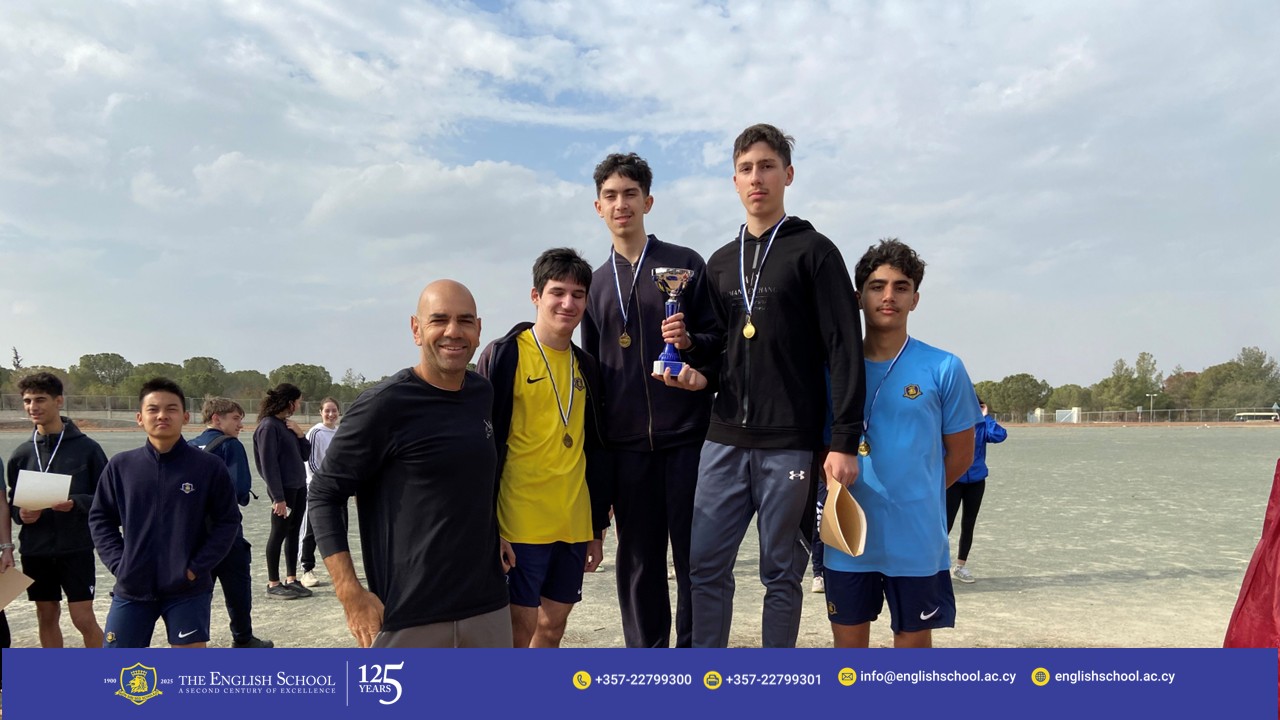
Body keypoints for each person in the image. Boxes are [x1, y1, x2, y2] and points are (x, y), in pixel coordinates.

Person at [660, 123, 865, 648]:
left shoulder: (816, 252)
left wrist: (844, 440)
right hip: (723, 438)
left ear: (788, 175)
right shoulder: (719, 263)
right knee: (705, 567)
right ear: (734, 181)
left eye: (767, 166)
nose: (757, 178)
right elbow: (718, 348)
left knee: (781, 573)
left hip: (789, 442)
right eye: (746, 169)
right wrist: (693, 359)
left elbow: (844, 348)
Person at [309, 280, 511, 648]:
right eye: (439, 320)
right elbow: (324, 494)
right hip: (409, 615)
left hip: (487, 608)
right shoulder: (385, 405)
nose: (453, 331)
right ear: (416, 329)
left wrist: (496, 531)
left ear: (479, 329)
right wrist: (350, 593)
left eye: (465, 320)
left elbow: (471, 477)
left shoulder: (482, 393)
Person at [580, 153, 713, 648]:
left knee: (696, 559)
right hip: (626, 448)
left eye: (630, 194)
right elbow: (592, 373)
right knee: (638, 562)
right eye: (611, 196)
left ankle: (697, 659)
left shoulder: (685, 264)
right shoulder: (593, 284)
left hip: (687, 439)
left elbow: (717, 341)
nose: (622, 204)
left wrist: (691, 343)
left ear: (648, 202)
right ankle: (648, 663)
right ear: (598, 207)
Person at [823, 239, 981, 649]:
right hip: (848, 537)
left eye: (901, 287)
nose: (888, 296)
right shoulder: (831, 370)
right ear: (858, 297)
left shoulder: (944, 367)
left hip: (917, 539)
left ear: (915, 299)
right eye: (877, 286)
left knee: (911, 661)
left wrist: (915, 493)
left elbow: (962, 455)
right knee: (848, 661)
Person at [477, 248, 612, 648]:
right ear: (536, 296)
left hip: (572, 521)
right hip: (520, 519)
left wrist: (596, 529)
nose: (568, 303)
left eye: (578, 294)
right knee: (519, 629)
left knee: (552, 627)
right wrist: (488, 527)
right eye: (558, 292)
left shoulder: (587, 366)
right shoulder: (506, 354)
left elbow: (595, 448)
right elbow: (482, 444)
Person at [89, 378, 241, 648]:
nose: (162, 415)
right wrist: (120, 564)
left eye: (171, 409)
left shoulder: (208, 466)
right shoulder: (121, 466)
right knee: (117, 667)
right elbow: (100, 519)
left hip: (187, 588)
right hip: (133, 587)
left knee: (187, 669)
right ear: (139, 418)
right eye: (153, 409)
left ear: (185, 417)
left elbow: (228, 521)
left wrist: (196, 568)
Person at [6, 371, 107, 648]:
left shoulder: (88, 449)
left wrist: (76, 503)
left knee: (83, 618)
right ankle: (56, 673)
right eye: (27, 401)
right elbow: (14, 501)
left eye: (40, 399)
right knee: (46, 615)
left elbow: (108, 497)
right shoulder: (21, 454)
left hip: (76, 547)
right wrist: (20, 514)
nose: (33, 407)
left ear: (59, 401)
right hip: (36, 549)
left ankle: (106, 671)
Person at [189, 397, 274, 647]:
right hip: (225, 533)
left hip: (193, 534)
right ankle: (243, 638)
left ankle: (192, 640)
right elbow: (240, 489)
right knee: (237, 587)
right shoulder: (230, 445)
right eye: (236, 419)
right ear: (217, 418)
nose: (240, 425)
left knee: (197, 592)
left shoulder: (188, 446)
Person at [253, 383, 312, 599]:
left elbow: (305, 455)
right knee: (278, 533)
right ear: (289, 402)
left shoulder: (286, 425)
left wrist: (300, 435)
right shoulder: (268, 427)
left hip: (298, 487)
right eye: (298, 402)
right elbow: (268, 465)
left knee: (293, 533)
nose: (299, 405)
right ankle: (273, 583)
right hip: (283, 491)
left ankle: (291, 579)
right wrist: (278, 497)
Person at [947, 398, 1008, 583]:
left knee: (969, 524)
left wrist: (986, 417)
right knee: (945, 525)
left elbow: (1000, 435)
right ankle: (935, 567)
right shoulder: (951, 423)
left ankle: (960, 567)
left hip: (976, 481)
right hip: (953, 480)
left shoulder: (982, 425)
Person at [297, 397, 341, 588]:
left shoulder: (340, 433)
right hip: (316, 490)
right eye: (327, 411)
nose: (331, 414)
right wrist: (328, 481)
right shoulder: (316, 433)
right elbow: (312, 462)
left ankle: (340, 570)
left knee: (338, 529)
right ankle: (306, 569)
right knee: (311, 530)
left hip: (337, 490)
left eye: (334, 410)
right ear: (320, 412)